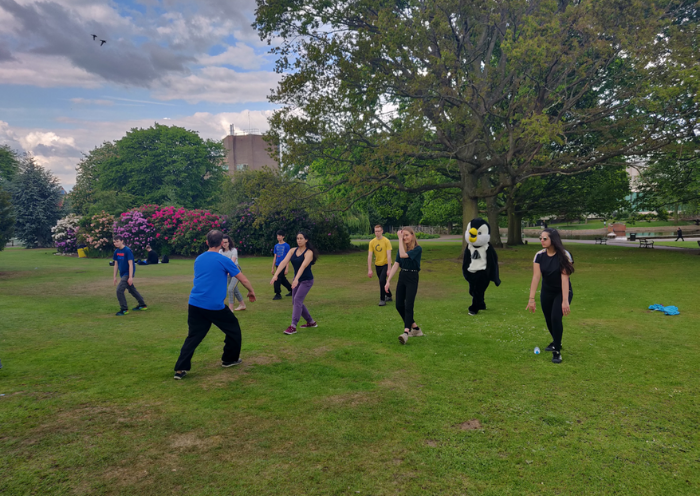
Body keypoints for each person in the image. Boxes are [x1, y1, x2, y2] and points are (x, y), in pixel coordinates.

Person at [173, 230, 256, 380]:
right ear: (221, 244)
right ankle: (229, 359)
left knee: (194, 336)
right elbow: (242, 279)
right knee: (233, 329)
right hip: (213, 306)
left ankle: (180, 369)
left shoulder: (199, 259)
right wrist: (251, 291)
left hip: (195, 304)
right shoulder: (223, 260)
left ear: (207, 242)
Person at [526, 228, 574, 364]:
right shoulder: (539, 256)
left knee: (555, 318)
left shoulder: (564, 255)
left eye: (545, 238)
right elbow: (536, 277)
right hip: (547, 292)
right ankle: (556, 341)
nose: (542, 240)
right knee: (548, 319)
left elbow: (565, 279)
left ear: (553, 239)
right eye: (540, 238)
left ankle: (557, 351)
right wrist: (531, 299)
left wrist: (565, 301)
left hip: (562, 292)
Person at [271, 231, 318, 335]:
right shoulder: (293, 250)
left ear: (306, 240)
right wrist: (276, 275)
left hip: (306, 280)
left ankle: (293, 326)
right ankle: (311, 322)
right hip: (297, 280)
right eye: (297, 238)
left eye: (301, 238)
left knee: (297, 300)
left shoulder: (309, 252)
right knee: (296, 301)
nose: (299, 240)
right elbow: (283, 262)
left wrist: (296, 279)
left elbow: (303, 266)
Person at [385, 228, 423, 345]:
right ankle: (416, 329)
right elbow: (396, 264)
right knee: (399, 305)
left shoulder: (417, 249)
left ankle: (406, 333)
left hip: (412, 277)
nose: (405, 237)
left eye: (406, 235)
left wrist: (399, 239)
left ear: (412, 235)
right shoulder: (402, 248)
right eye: (403, 235)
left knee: (408, 305)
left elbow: (403, 255)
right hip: (403, 276)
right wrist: (388, 281)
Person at [112, 235, 148, 316]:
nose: (116, 243)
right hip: (122, 274)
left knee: (119, 290)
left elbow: (131, 264)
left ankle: (124, 309)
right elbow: (116, 265)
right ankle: (142, 305)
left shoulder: (127, 251)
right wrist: (114, 277)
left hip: (127, 274)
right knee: (132, 290)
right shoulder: (116, 252)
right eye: (114, 242)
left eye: (117, 241)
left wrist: (130, 277)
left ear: (122, 241)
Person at [368, 225, 393, 306]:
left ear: (382, 231)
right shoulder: (372, 242)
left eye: (378, 231)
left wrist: (389, 269)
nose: (377, 233)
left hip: (385, 264)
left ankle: (382, 300)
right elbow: (370, 256)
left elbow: (389, 255)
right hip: (377, 265)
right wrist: (369, 269)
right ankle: (389, 295)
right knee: (383, 282)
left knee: (382, 281)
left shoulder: (386, 241)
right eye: (376, 231)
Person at [220, 235, 246, 311]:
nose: (224, 244)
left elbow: (232, 262)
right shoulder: (220, 251)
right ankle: (242, 305)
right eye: (223, 242)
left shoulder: (233, 250)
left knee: (230, 289)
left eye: (226, 242)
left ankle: (230, 309)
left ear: (229, 242)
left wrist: (228, 270)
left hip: (235, 270)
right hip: (227, 271)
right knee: (235, 289)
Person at [271, 230, 293, 300]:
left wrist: (286, 268)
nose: (278, 237)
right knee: (282, 279)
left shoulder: (286, 246)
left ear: (283, 237)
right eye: (277, 236)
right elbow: (275, 257)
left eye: (280, 236)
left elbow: (288, 257)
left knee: (276, 278)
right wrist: (272, 268)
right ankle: (292, 290)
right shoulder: (276, 246)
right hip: (277, 264)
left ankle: (278, 294)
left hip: (283, 265)